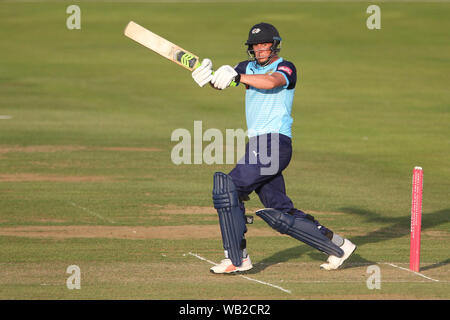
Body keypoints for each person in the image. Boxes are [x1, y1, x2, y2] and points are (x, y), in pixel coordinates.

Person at [192, 22, 356, 273]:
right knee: (280, 213)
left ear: (274, 44)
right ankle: (338, 245)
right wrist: (209, 76)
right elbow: (225, 83)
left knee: (228, 189)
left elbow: (270, 82)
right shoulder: (246, 67)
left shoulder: (285, 67)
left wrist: (237, 76)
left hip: (275, 143)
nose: (259, 49)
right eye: (255, 45)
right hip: (257, 145)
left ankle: (238, 258)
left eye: (264, 44)